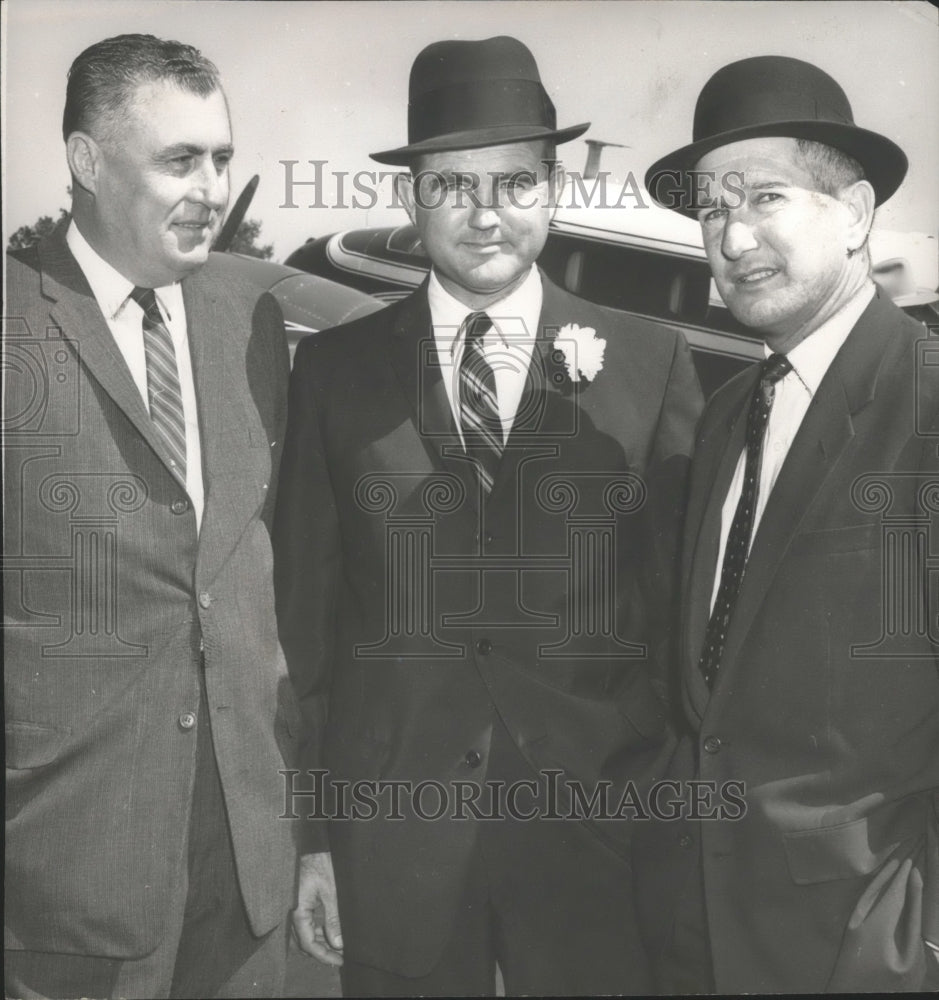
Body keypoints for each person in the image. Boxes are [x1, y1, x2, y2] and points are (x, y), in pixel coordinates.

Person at [274, 34, 702, 997]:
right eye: (450, 185)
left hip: (595, 835)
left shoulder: (649, 363)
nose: (482, 214)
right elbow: (304, 623)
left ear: (552, 191)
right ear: (410, 196)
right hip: (392, 836)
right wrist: (313, 837)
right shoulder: (333, 375)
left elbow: (677, 618)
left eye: (512, 183)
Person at [636, 55, 939, 994]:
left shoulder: (926, 403)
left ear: (853, 212)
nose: (731, 237)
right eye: (711, 211)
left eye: (763, 197)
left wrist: (913, 938)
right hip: (702, 933)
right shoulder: (728, 411)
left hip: (865, 941)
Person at [4, 34, 297, 999]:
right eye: (180, 159)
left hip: (246, 864)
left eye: (221, 156)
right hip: (65, 874)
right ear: (87, 162)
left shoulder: (252, 318)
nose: (213, 185)